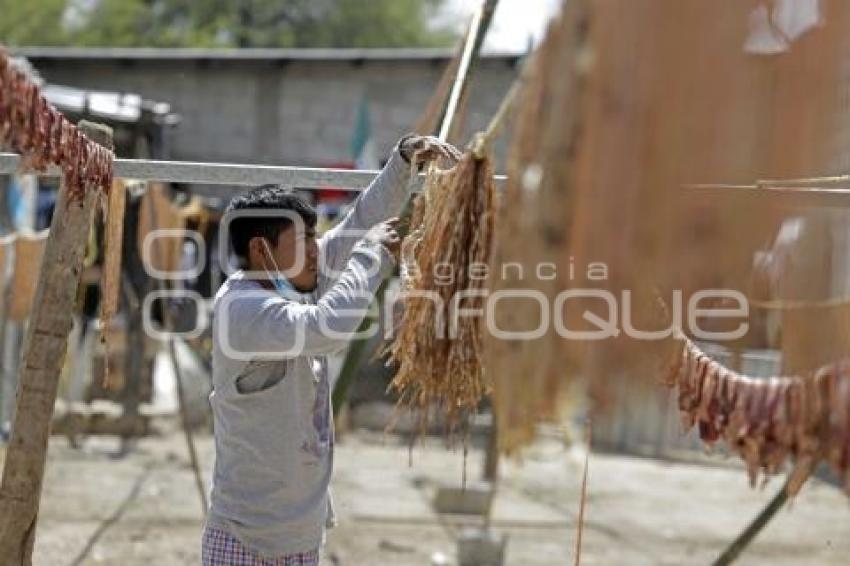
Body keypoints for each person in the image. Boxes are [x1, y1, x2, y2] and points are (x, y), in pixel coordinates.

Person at [202, 134, 462, 565]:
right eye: (303, 240)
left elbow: (357, 225)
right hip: (246, 541)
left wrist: (402, 161)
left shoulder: (290, 278)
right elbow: (327, 328)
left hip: (300, 537)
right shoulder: (243, 310)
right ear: (260, 250)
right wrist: (372, 257)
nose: (314, 250)